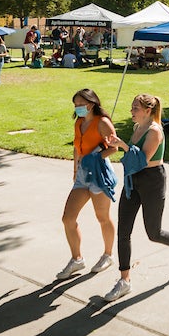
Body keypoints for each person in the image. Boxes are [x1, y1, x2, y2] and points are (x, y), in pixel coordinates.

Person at [102, 93, 169, 302]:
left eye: (135, 108)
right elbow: (131, 158)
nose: (131, 111)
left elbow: (142, 160)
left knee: (154, 233)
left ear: (147, 111)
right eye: (132, 107)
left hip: (152, 181)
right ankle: (124, 280)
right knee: (123, 231)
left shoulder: (155, 131)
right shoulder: (137, 128)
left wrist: (124, 146)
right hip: (133, 181)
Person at [57, 89, 118, 280]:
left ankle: (108, 255)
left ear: (90, 104)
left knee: (102, 217)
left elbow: (114, 147)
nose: (77, 108)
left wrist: (96, 157)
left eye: (79, 104)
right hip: (83, 174)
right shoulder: (79, 122)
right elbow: (77, 147)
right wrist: (75, 169)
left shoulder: (102, 122)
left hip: (99, 173)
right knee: (68, 218)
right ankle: (77, 259)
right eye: (75, 104)